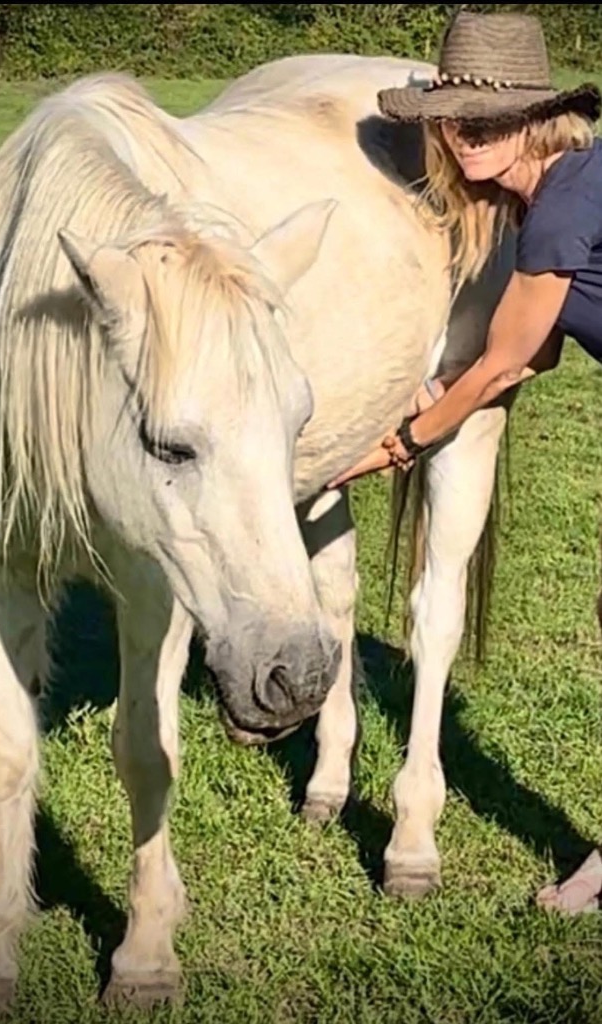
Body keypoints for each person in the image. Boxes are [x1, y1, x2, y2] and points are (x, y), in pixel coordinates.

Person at [329, 10, 602, 915]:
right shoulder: (567, 191)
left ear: (537, 117)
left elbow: (501, 364)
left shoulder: (561, 203)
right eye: (451, 114)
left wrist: (397, 443)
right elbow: (537, 350)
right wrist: (447, 379)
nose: (467, 130)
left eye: (493, 113)